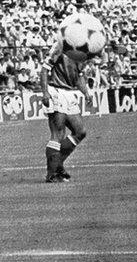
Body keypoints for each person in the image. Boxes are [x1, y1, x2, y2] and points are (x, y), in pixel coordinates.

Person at [40, 34, 94, 183]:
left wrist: (86, 92)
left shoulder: (81, 54)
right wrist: (45, 93)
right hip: (56, 91)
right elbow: (44, 70)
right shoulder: (59, 46)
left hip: (70, 94)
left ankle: (58, 165)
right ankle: (52, 174)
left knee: (80, 132)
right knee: (58, 133)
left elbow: (79, 76)